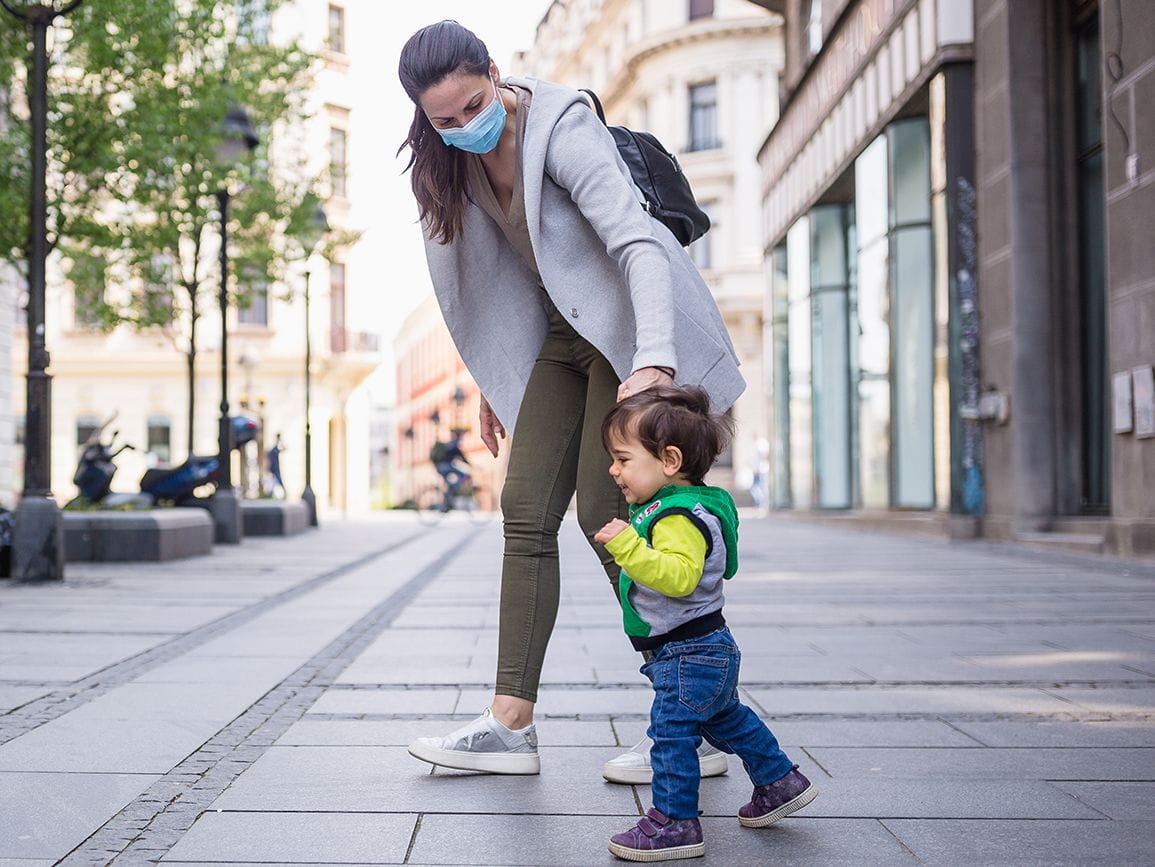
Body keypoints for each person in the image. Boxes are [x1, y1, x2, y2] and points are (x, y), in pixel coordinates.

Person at [398, 20, 745, 781]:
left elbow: (638, 243)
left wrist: (652, 358)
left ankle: (700, 718)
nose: (461, 128)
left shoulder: (561, 127)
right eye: (442, 119)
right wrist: (495, 379)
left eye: (471, 106)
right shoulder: (446, 166)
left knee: (604, 515)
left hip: (624, 324)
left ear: (493, 71)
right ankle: (508, 724)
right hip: (555, 337)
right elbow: (476, 290)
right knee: (523, 510)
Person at [594, 385, 817, 862]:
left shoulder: (679, 517)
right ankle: (779, 781)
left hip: (687, 652)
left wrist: (628, 546)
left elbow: (679, 577)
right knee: (726, 718)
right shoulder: (682, 506)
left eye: (623, 459)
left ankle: (674, 822)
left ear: (669, 460)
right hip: (703, 648)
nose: (613, 470)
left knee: (671, 733)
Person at [430, 429, 472, 509]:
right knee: (465, 475)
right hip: (445, 467)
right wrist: (471, 465)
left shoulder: (449, 444)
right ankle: (453, 490)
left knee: (449, 485)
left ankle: (446, 503)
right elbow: (462, 457)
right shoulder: (454, 445)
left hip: (440, 467)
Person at [267, 433, 286, 498]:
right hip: (274, 468)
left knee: (275, 482)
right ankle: (270, 494)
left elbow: (284, 448)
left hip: (275, 468)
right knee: (275, 482)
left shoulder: (275, 450)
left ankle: (270, 494)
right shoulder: (273, 450)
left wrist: (280, 440)